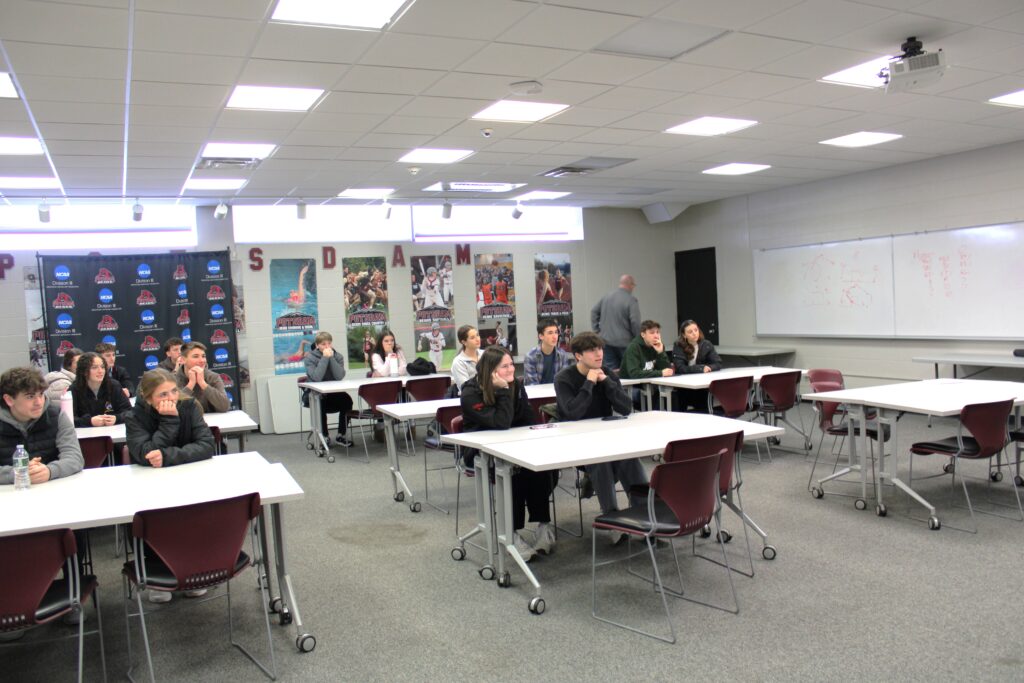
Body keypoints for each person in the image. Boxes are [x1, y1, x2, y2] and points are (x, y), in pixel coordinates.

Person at [125, 368, 216, 603]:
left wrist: (168, 456)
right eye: (162, 394)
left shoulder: (189, 406)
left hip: (190, 480)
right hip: (150, 486)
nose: (171, 398)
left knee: (193, 518)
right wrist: (168, 421)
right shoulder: (135, 417)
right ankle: (159, 576)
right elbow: (145, 453)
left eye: (173, 391)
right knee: (156, 521)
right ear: (147, 398)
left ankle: (194, 571)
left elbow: (206, 445)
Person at [461, 346, 556, 561]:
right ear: (491, 370)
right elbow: (500, 423)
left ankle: (543, 525)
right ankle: (510, 533)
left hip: (514, 444)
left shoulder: (517, 385)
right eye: (505, 366)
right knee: (513, 473)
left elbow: (527, 419)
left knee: (542, 468)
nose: (511, 369)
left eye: (512, 364)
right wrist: (503, 391)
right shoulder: (470, 392)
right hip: (482, 452)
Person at [554, 331, 647, 544]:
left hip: (606, 437)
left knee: (630, 457)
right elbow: (572, 414)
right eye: (592, 350)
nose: (599, 354)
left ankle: (644, 517)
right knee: (601, 460)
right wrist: (588, 383)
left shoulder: (606, 373)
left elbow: (625, 408)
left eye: (600, 349)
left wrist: (607, 383)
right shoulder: (564, 379)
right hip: (577, 443)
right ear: (578, 356)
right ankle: (612, 517)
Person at [0, 367, 83, 486]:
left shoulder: (57, 416)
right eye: (30, 396)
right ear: (9, 400)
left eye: (41, 394)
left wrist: (49, 471)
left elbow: (75, 458)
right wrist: (19, 473)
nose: (39, 402)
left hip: (52, 490)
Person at [303, 331, 354, 447]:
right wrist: (325, 358)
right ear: (317, 345)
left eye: (329, 344)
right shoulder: (309, 358)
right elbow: (316, 377)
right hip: (315, 394)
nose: (327, 347)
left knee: (347, 401)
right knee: (320, 404)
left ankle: (341, 434)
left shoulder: (338, 356)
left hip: (333, 393)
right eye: (323, 344)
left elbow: (339, 376)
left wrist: (331, 358)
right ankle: (324, 436)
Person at [590, 274, 640, 371]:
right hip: (626, 344)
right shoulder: (631, 300)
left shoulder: (607, 297)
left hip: (606, 342)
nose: (633, 288)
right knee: (628, 371)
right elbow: (635, 322)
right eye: (633, 285)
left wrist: (597, 331)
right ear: (630, 285)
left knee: (610, 373)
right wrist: (638, 339)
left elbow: (594, 311)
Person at [672, 319, 723, 413]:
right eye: (690, 332)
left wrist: (709, 368)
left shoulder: (706, 344)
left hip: (701, 386)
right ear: (684, 335)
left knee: (704, 410)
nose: (694, 333)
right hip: (684, 386)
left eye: (696, 330)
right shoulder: (678, 345)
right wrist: (700, 368)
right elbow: (680, 368)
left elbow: (718, 363)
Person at [70, 351, 132, 427]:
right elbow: (68, 419)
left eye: (102, 367)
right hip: (86, 435)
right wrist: (89, 421)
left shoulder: (114, 385)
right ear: (84, 371)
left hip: (113, 433)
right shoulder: (74, 389)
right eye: (94, 367)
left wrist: (117, 418)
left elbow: (130, 412)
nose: (100, 371)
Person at [174, 341, 230, 413]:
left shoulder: (213, 377)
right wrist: (190, 385)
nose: (202, 360)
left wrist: (203, 384)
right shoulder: (172, 379)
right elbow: (175, 409)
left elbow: (224, 407)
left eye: (203, 356)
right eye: (195, 356)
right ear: (183, 360)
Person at [523, 319, 574, 385]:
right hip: (537, 393)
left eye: (556, 332)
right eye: (550, 333)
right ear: (541, 336)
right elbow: (532, 385)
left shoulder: (562, 354)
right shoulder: (531, 356)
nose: (555, 336)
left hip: (557, 392)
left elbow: (564, 381)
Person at [450, 324, 482, 390]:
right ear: (464, 342)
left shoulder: (485, 354)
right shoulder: (458, 362)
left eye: (477, 335)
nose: (477, 339)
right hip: (472, 397)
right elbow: (465, 388)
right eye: (472, 338)